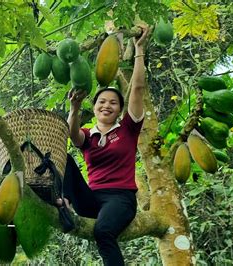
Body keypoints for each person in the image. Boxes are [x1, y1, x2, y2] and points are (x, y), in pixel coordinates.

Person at [65, 25, 150, 266]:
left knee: (103, 232)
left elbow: (137, 89)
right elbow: (72, 136)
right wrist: (73, 108)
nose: (107, 105)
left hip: (120, 199)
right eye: (102, 101)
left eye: (113, 102)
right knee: (63, 159)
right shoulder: (88, 134)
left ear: (120, 109)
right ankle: (61, 203)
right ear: (94, 107)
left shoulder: (127, 129)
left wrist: (139, 50)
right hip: (91, 199)